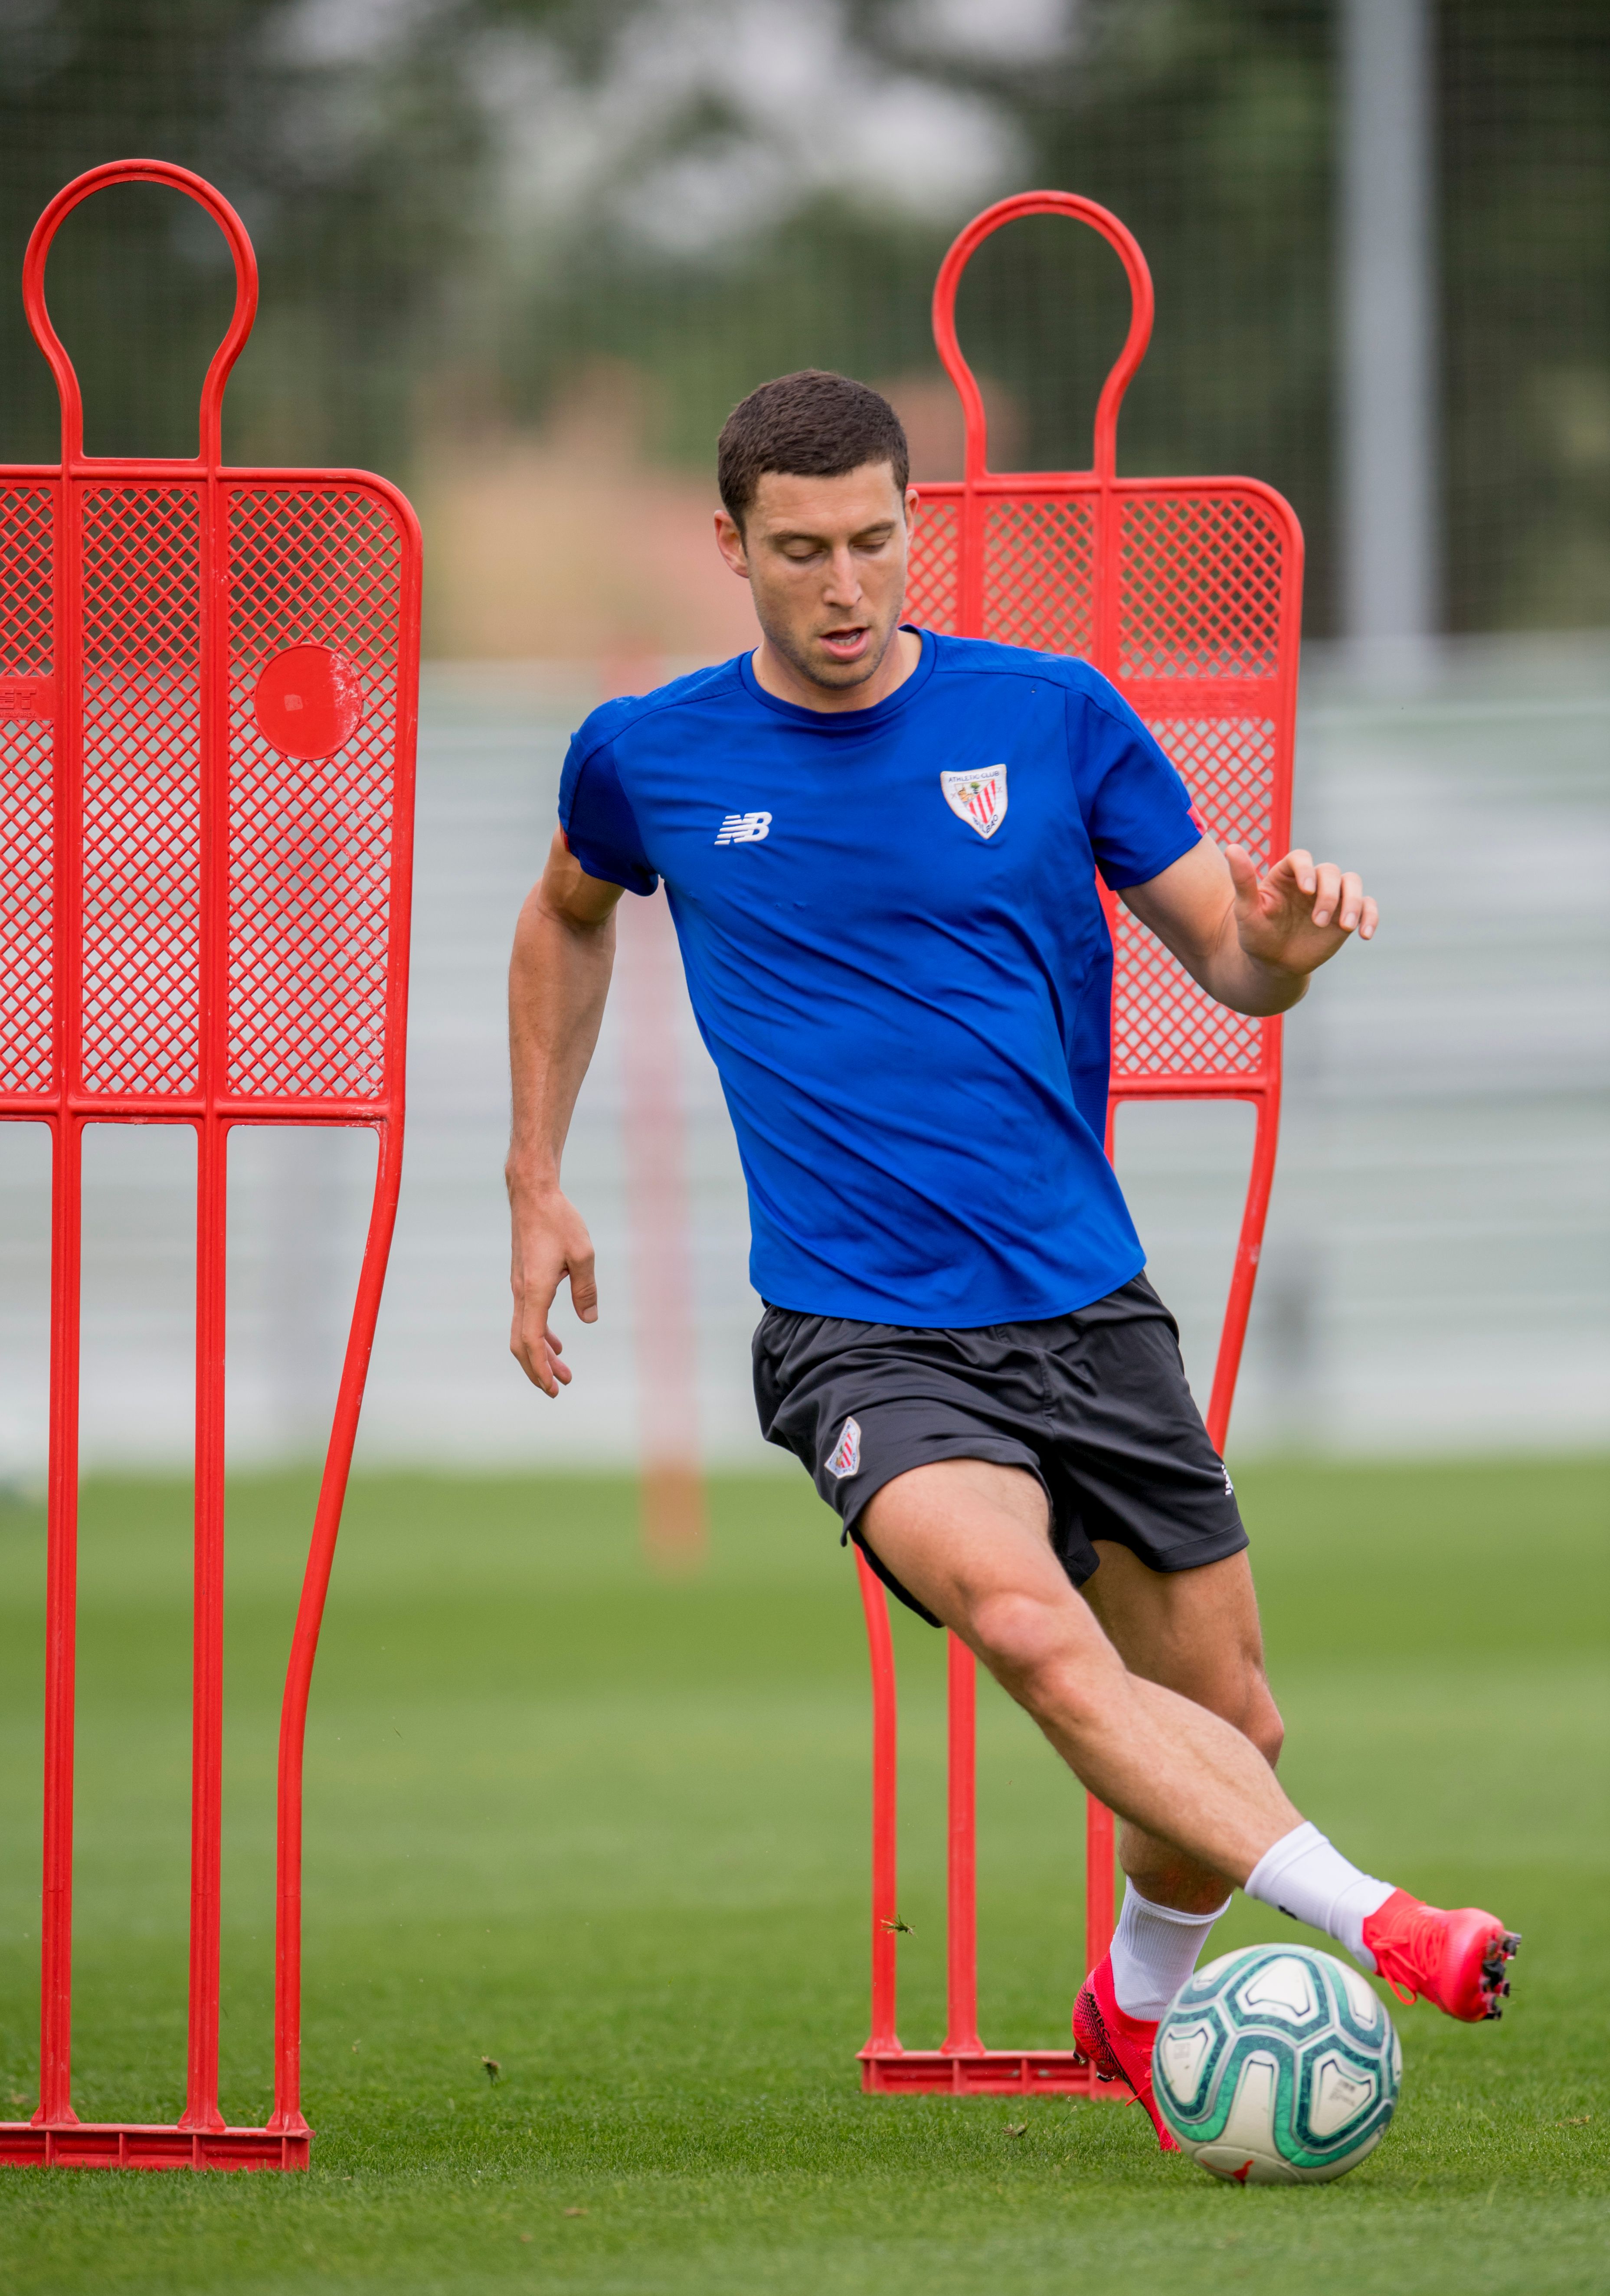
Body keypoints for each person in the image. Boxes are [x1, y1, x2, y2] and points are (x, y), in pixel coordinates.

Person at [504, 369, 1518, 2149]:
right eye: (801, 550)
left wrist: (1284, 945)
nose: (844, 585)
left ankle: (1131, 2001)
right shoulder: (647, 753)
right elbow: (565, 912)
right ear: (727, 545)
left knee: (1230, 1727)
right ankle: (1387, 1923)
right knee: (1035, 1634)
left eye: (876, 540)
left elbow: (1228, 953)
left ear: (919, 527)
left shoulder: (1051, 716)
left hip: (1081, 1300)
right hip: (858, 1335)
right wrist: (535, 1178)